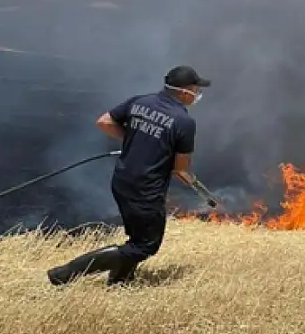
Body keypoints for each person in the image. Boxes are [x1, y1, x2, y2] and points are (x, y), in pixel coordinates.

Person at [47, 65, 210, 287]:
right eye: (195, 89)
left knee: (135, 240)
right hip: (147, 188)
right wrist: (188, 178)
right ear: (184, 92)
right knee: (145, 245)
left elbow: (104, 121)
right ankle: (66, 273)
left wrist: (135, 140)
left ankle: (119, 282)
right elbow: (180, 167)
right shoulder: (184, 121)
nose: (197, 94)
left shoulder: (139, 101)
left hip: (122, 180)